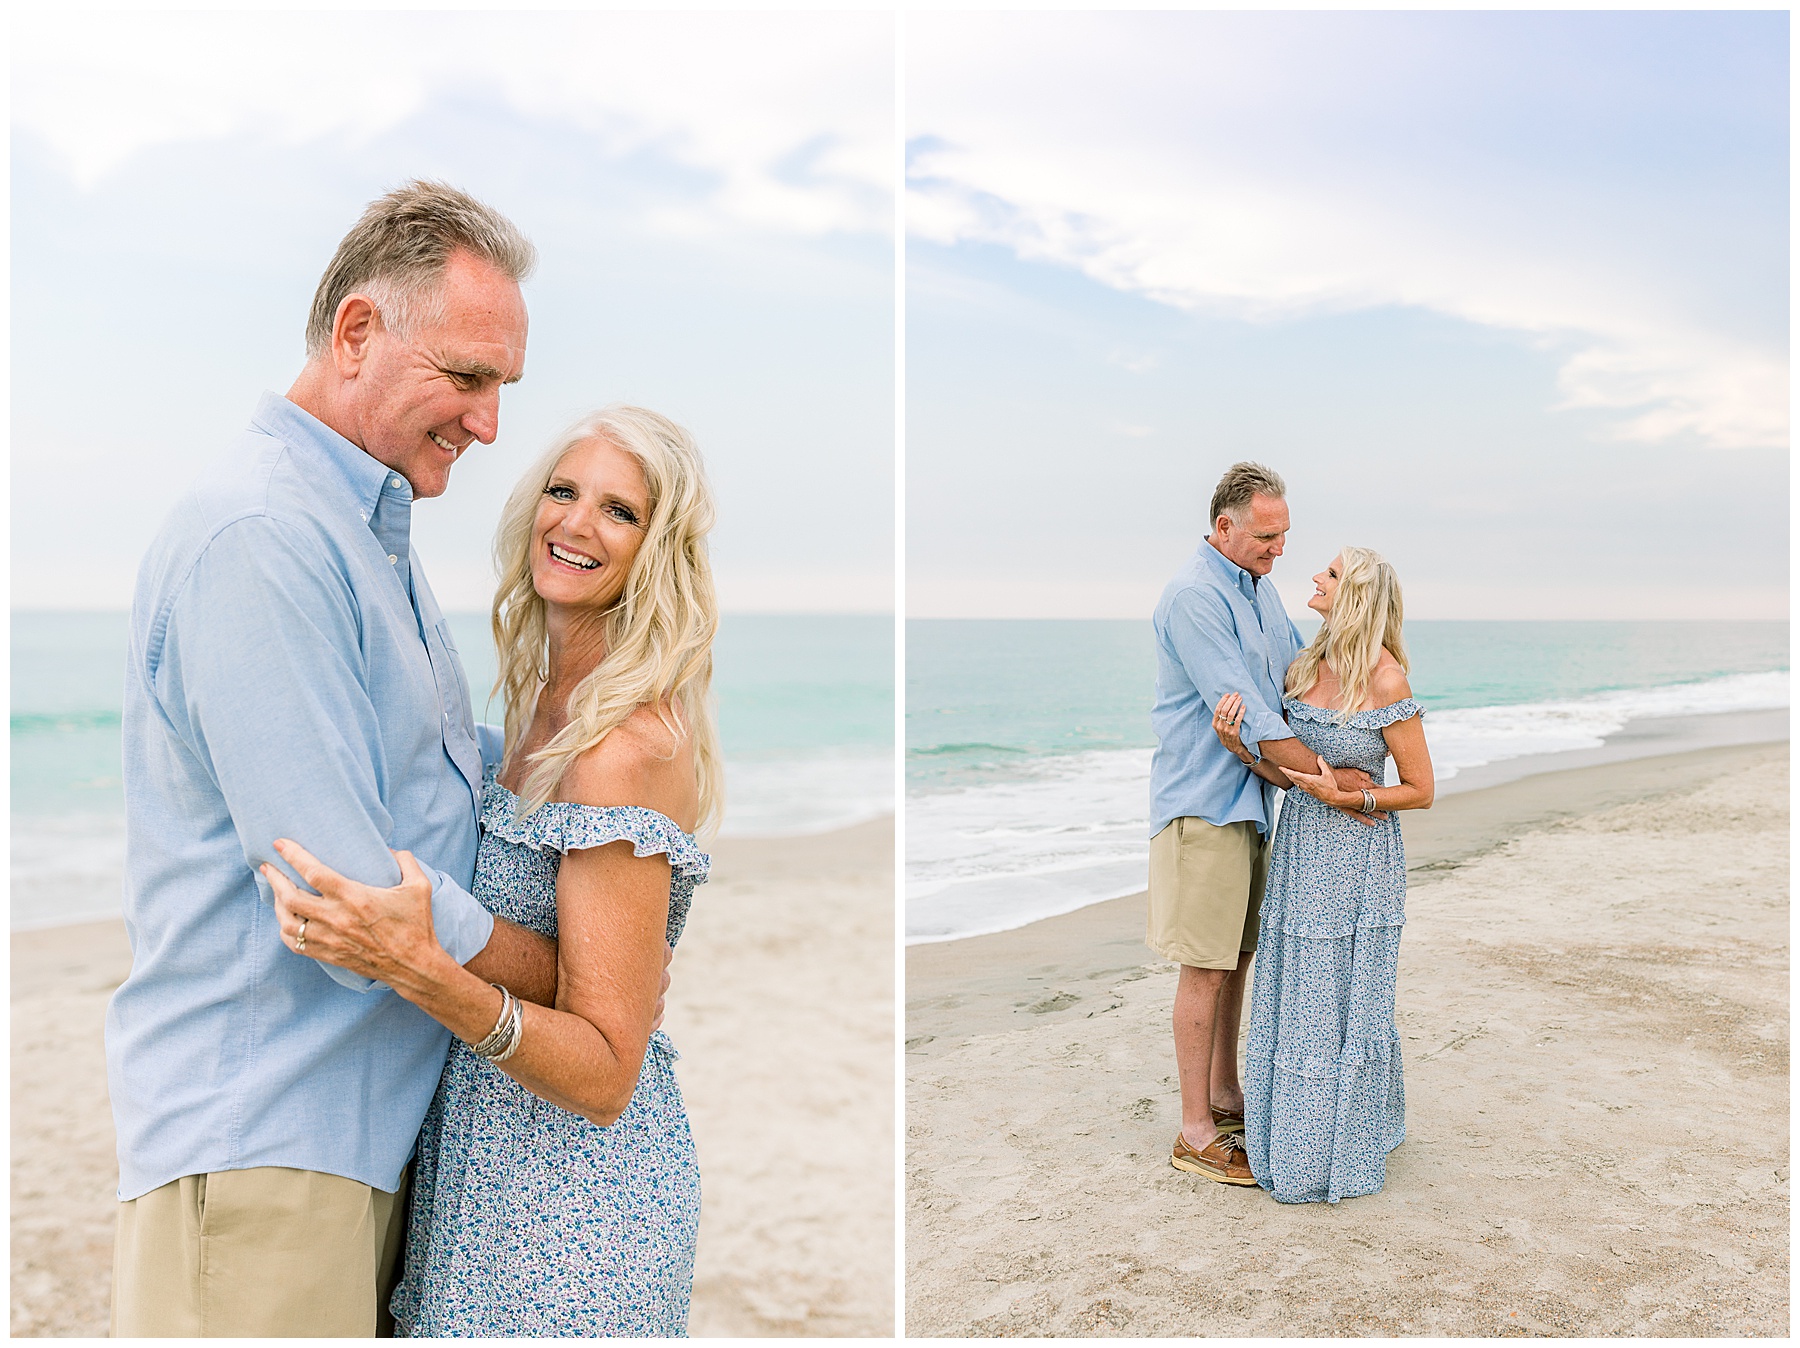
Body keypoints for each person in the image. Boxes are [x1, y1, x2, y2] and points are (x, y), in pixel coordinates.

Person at [106, 181, 568, 1336]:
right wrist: (559, 973)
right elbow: (352, 895)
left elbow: (443, 775)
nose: (490, 422)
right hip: (267, 1143)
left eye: (502, 388)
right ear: (359, 331)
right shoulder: (264, 535)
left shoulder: (361, 533)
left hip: (355, 1144)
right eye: (467, 378)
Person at [263, 406, 720, 1335]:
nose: (577, 524)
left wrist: (420, 968)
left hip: (576, 1209)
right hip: (474, 1172)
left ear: (658, 549)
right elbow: (566, 961)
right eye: (563, 491)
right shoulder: (537, 707)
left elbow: (604, 1072)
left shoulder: (620, 749)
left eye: (619, 511)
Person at [1148, 462, 1381, 1187]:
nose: (1279, 549)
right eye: (1266, 536)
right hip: (1203, 803)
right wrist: (1331, 779)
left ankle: (1224, 1098)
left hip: (1254, 796)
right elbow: (1248, 710)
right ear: (1226, 527)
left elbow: (1290, 679)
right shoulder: (1194, 597)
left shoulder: (1258, 590)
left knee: (1238, 956)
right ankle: (1194, 1133)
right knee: (1205, 964)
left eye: (1284, 536)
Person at [1213, 546, 1434, 1203]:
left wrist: (1355, 797)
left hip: (1359, 859)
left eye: (1331, 574)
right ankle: (1290, 1139)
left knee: (1341, 1001)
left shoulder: (1387, 679)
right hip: (1301, 849)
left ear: (1356, 595)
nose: (1315, 577)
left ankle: (1341, 1146)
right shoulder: (1305, 668)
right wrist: (1241, 751)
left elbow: (1419, 789)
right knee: (1296, 995)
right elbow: (1295, 776)